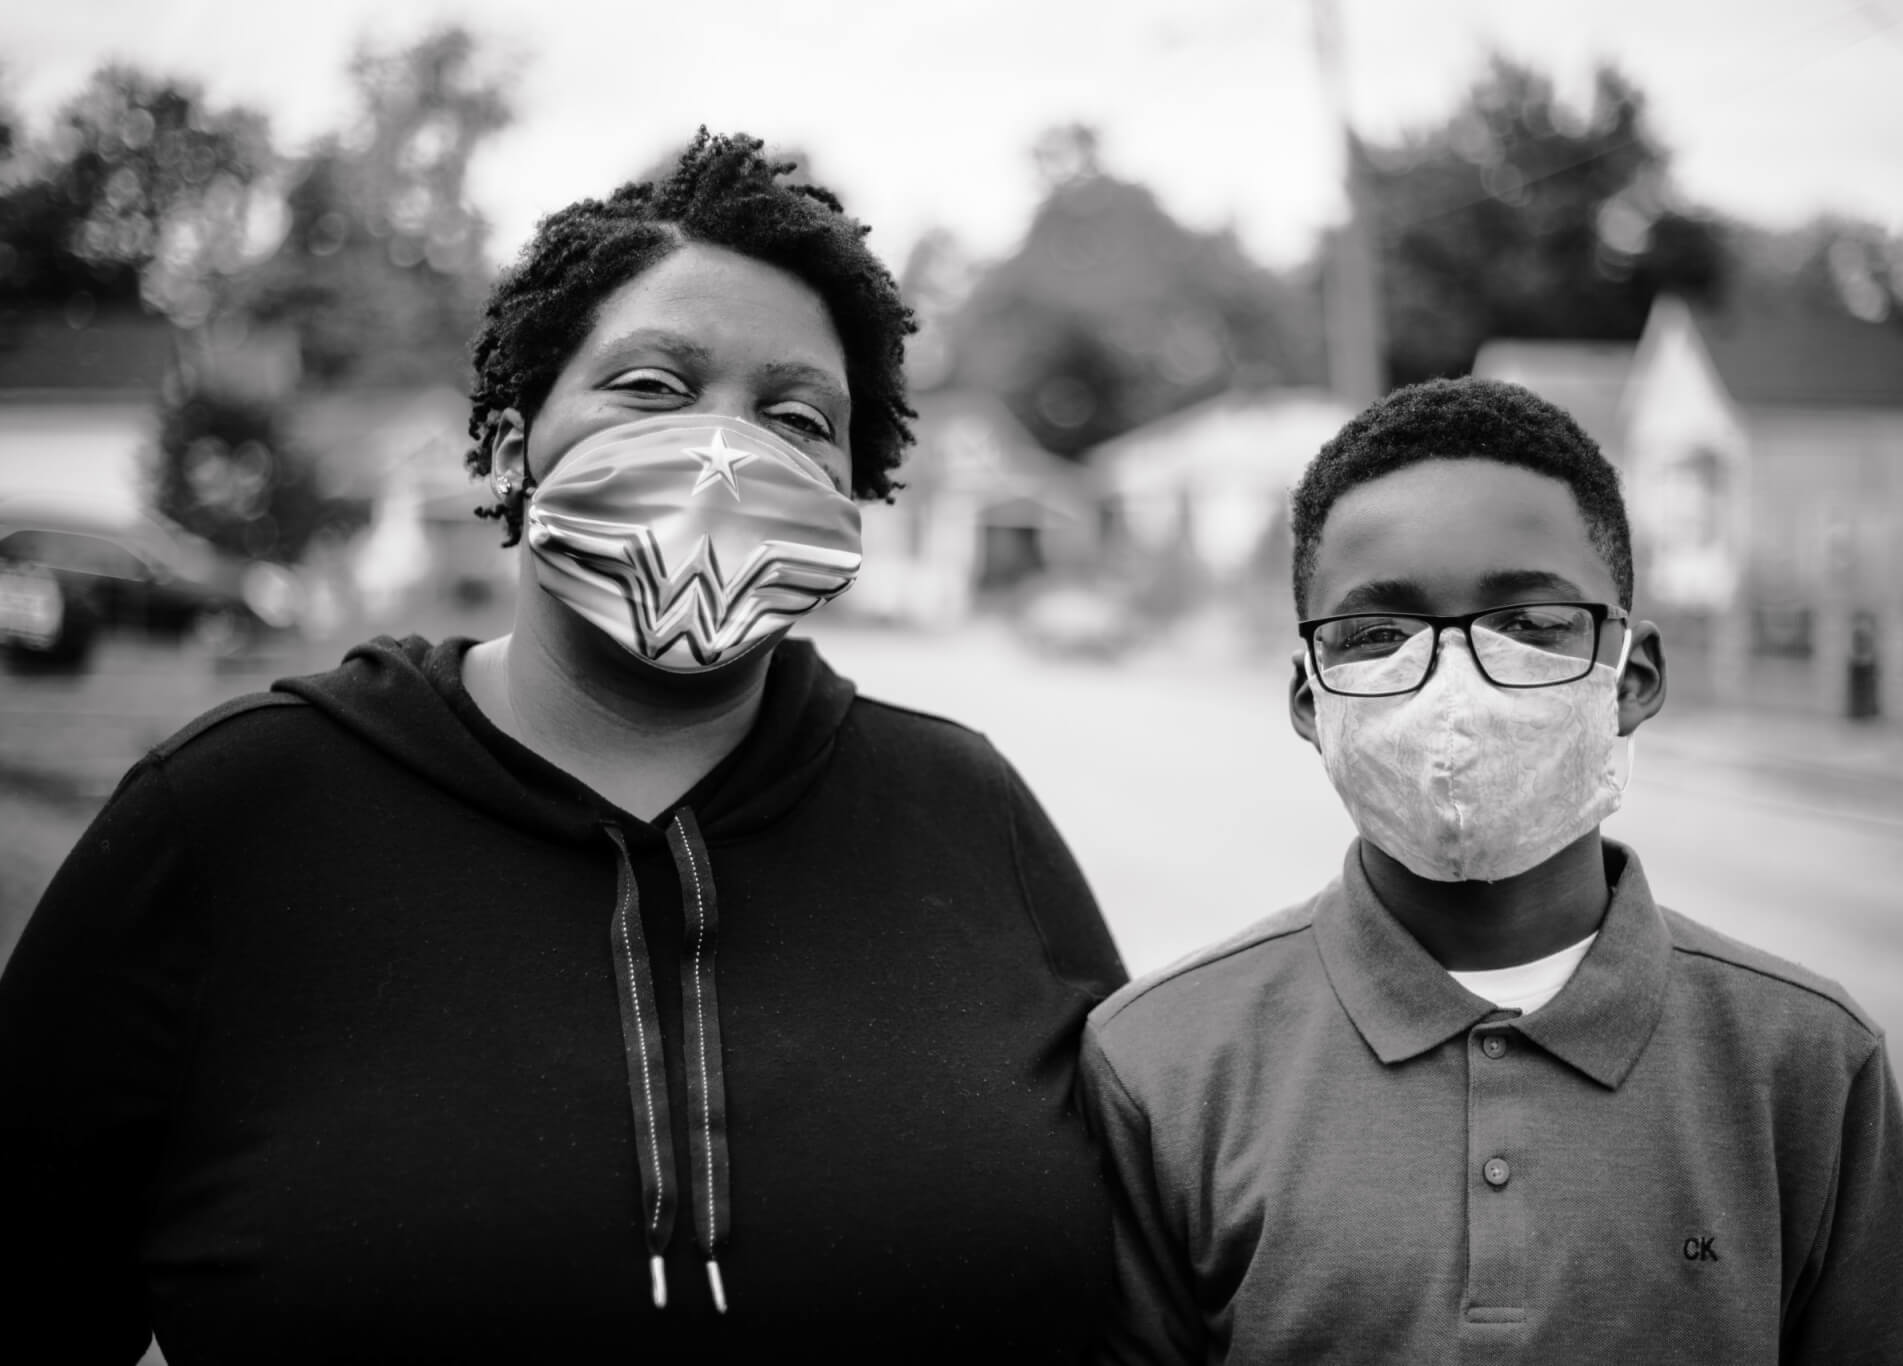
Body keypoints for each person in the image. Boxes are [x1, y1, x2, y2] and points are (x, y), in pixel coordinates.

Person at [0, 130, 1126, 1364]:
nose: (725, 452)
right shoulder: (232, 813)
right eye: (650, 386)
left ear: (855, 492)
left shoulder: (967, 812)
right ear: (503, 445)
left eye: (797, 415)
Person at [1079, 377, 1903, 1364]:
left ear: (1633, 676)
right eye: (1375, 634)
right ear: (1310, 700)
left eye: (1530, 624)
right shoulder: (1159, 1063)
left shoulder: (1805, 1061)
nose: (1455, 687)